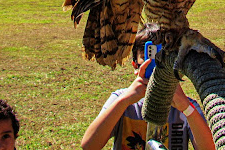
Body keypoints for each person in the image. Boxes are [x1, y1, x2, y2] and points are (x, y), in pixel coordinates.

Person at [81, 23, 215, 150]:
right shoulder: (121, 100)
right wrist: (123, 101)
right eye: (149, 58)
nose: (157, 68)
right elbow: (89, 145)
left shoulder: (186, 107)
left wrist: (186, 108)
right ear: (135, 65)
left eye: (164, 59)